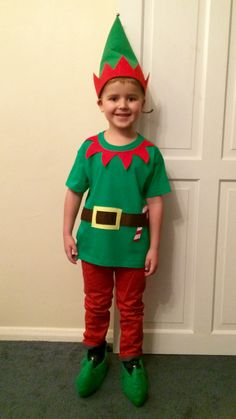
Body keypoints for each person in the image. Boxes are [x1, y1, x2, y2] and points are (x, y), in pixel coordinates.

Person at [63, 15, 171, 407]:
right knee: (95, 302)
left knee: (131, 305)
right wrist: (66, 232)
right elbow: (74, 192)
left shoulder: (149, 154)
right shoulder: (89, 149)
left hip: (131, 247)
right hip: (93, 244)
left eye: (131, 97)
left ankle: (130, 359)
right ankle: (94, 353)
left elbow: (157, 201)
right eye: (114, 98)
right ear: (100, 103)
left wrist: (155, 246)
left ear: (142, 103)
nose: (122, 105)